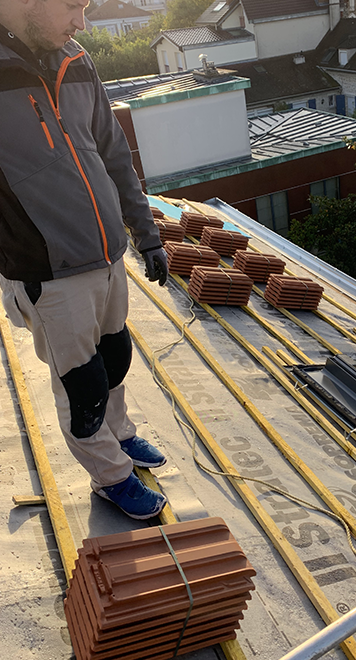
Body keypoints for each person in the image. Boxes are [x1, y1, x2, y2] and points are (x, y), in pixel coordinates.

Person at [0, 0, 171, 520]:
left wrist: (147, 236)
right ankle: (111, 477)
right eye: (73, 5)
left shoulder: (75, 59)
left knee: (113, 359)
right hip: (47, 271)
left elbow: (113, 151)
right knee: (83, 386)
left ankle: (121, 435)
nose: (82, 21)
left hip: (106, 254)